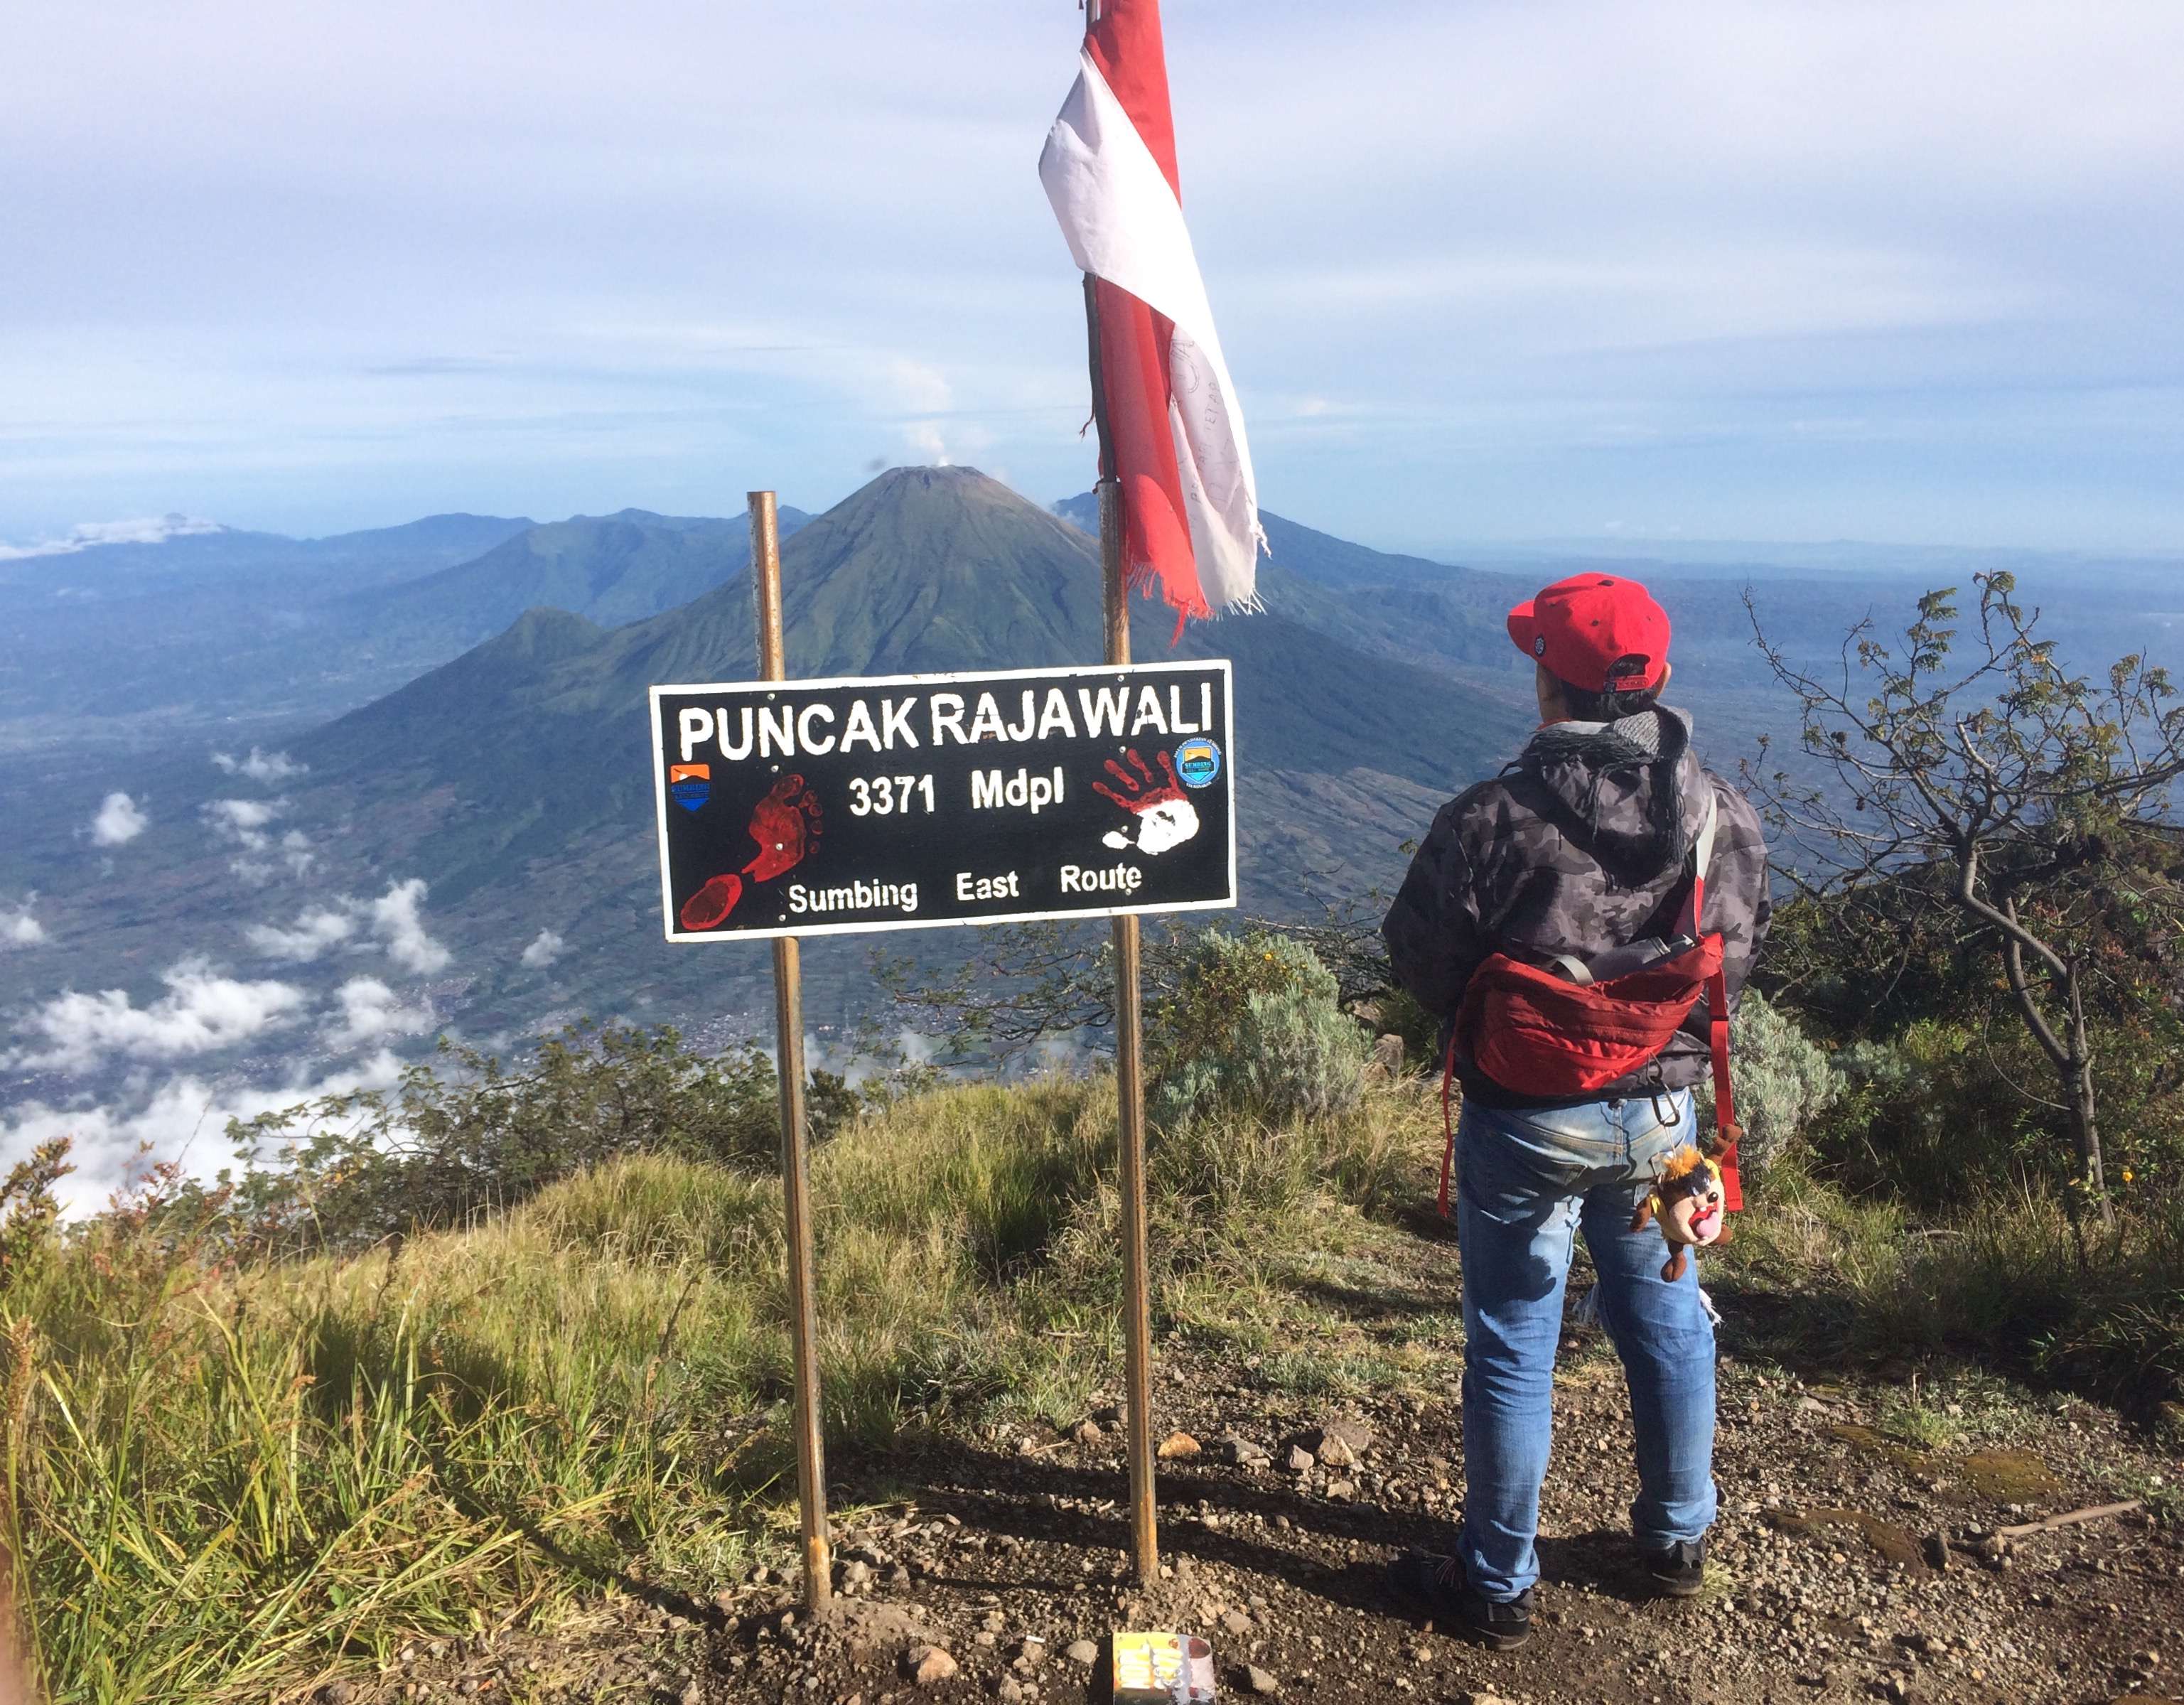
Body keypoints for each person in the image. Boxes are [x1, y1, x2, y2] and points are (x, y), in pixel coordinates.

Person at [1379, 571, 1770, 1648]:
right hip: (1660, 1121)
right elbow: (1733, 961)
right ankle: (1677, 1538)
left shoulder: (1490, 819)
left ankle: (1496, 1584)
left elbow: (1420, 958)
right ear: (1661, 680)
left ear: (1548, 685)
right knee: (1665, 1315)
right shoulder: (1720, 811)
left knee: (1513, 1340)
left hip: (1523, 1116)